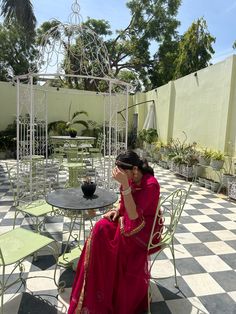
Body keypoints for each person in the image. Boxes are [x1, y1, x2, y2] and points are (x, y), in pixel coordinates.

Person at [68, 150, 162, 314]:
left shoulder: (150, 184)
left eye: (122, 173)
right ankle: (96, 285)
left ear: (134, 169)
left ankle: (107, 287)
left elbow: (134, 216)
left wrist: (125, 185)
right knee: (101, 227)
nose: (119, 176)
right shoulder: (131, 178)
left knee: (108, 243)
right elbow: (125, 205)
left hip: (145, 230)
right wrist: (117, 210)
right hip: (129, 223)